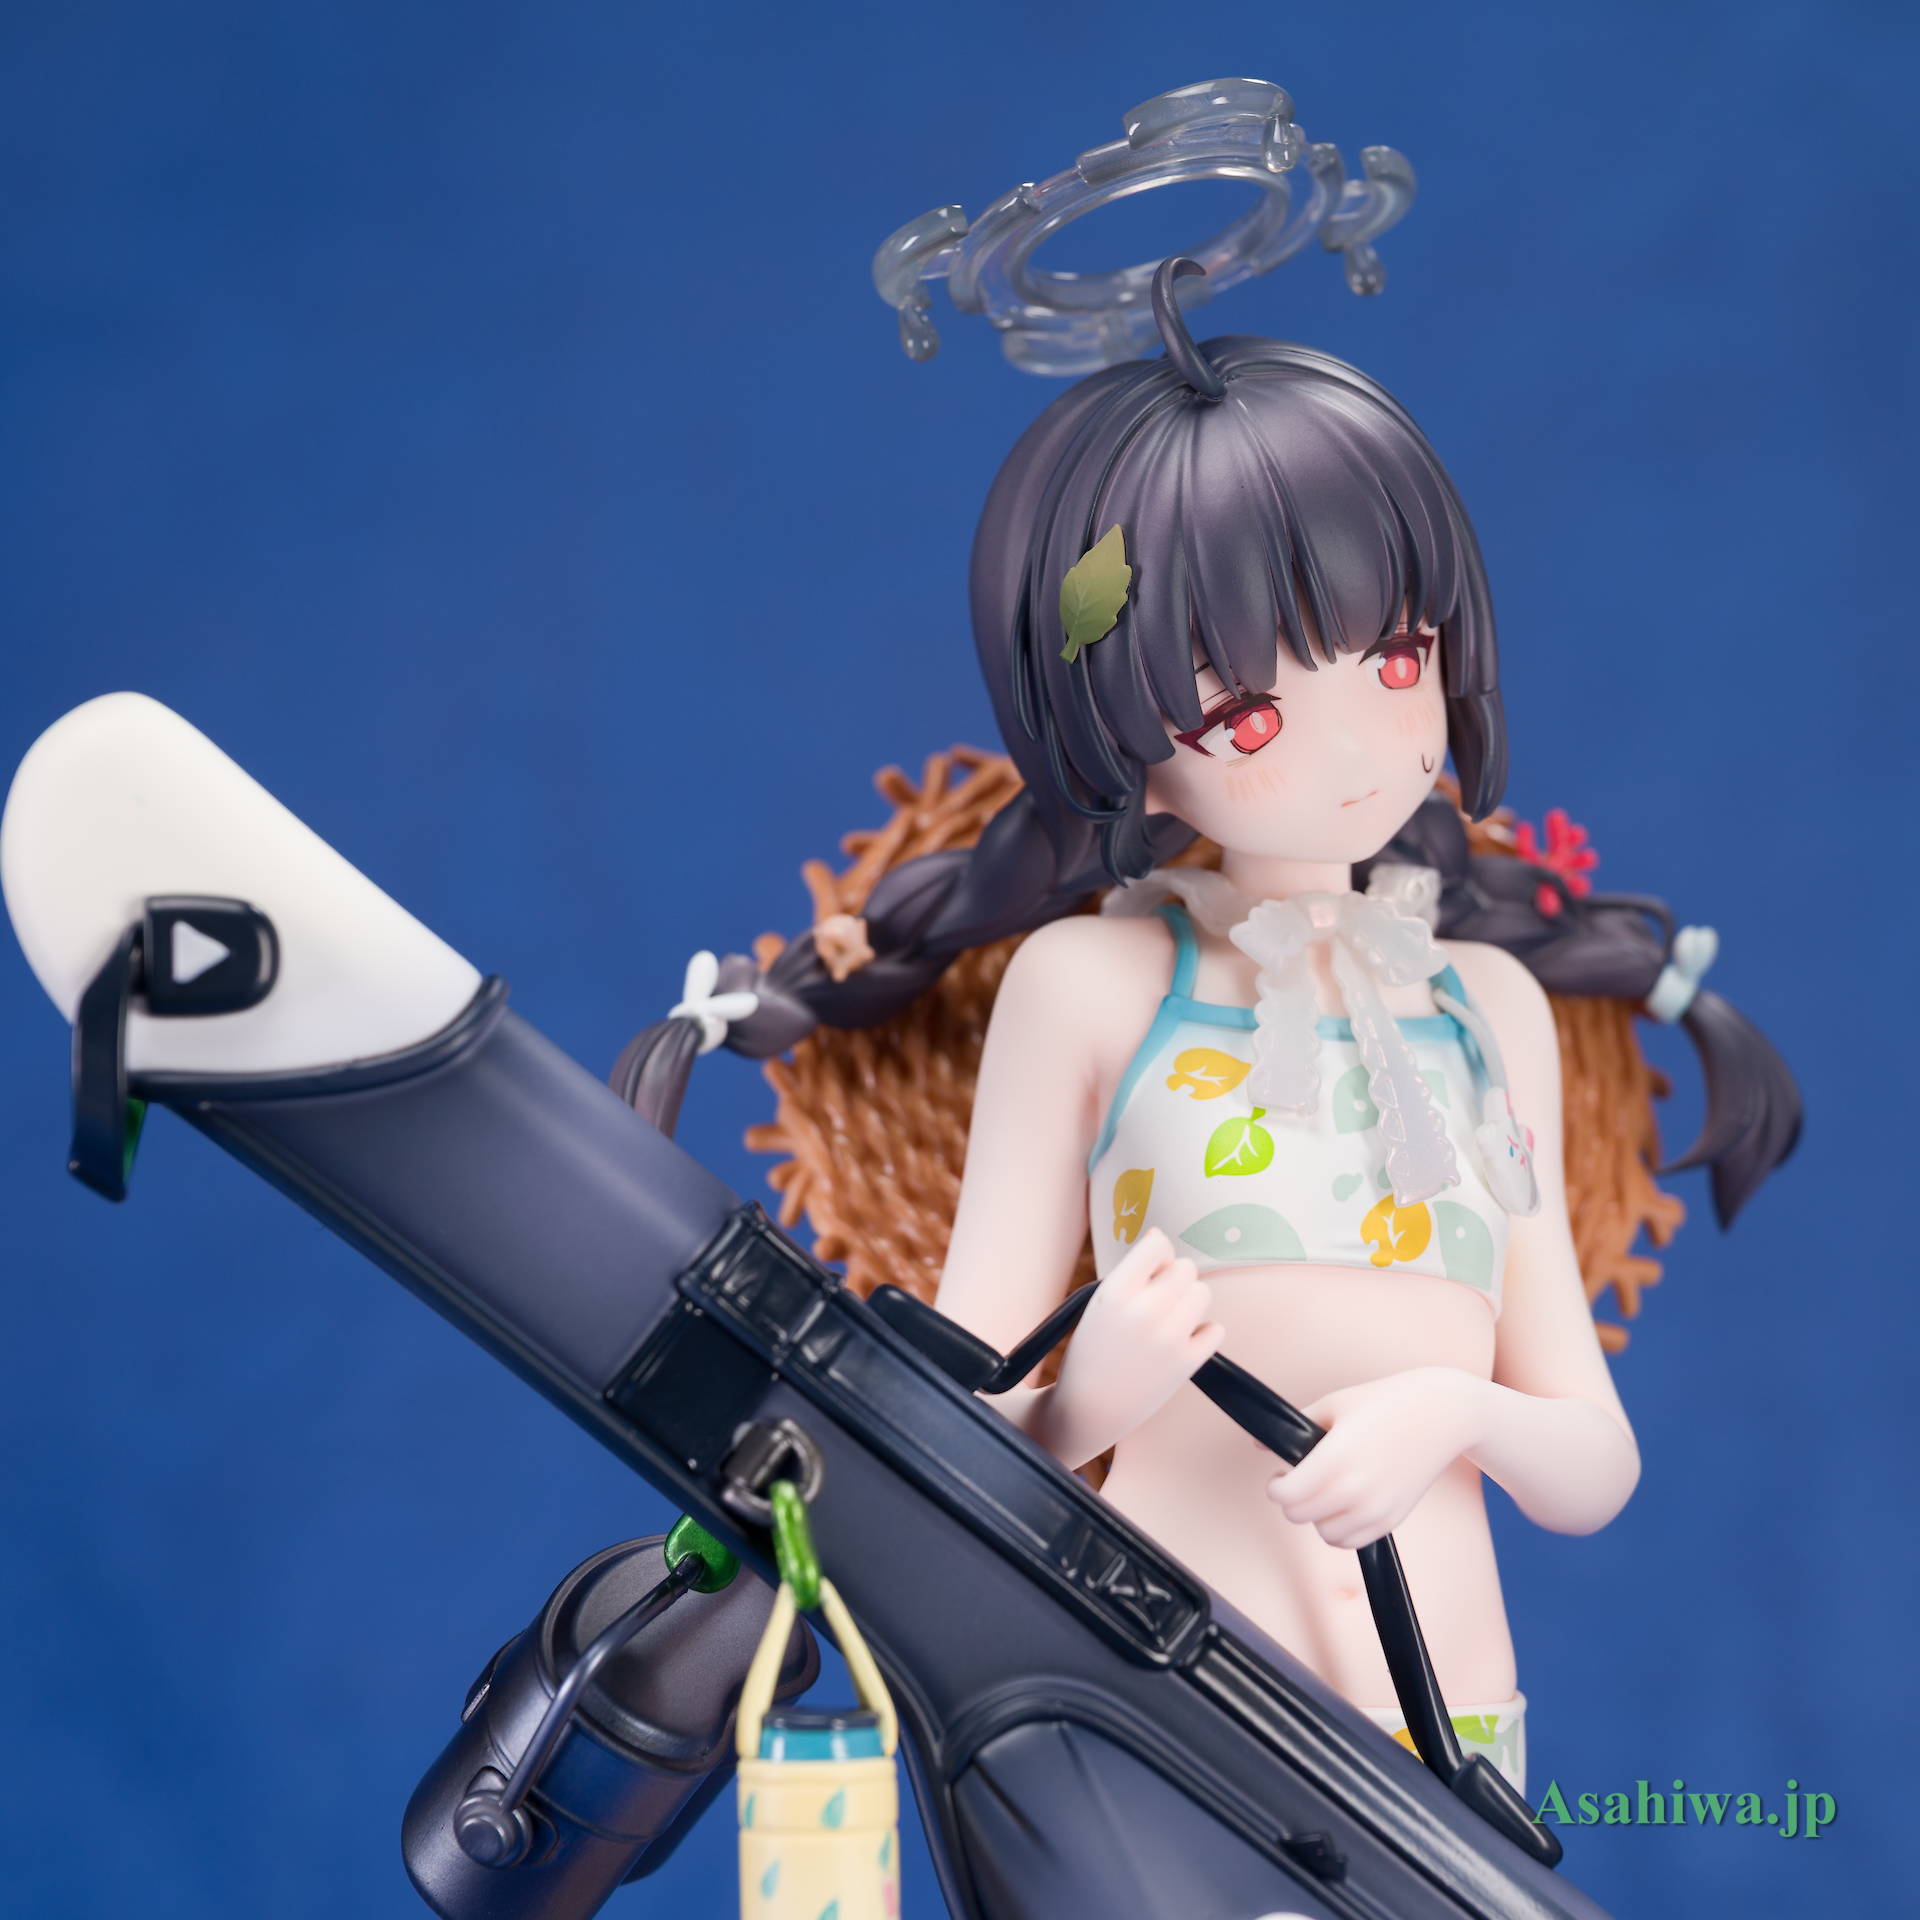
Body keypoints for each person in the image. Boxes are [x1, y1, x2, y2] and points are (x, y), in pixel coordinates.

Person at [615, 259, 1799, 1798]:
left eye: (1396, 657)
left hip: (1459, 1739)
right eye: (1247, 714)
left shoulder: (1485, 1010)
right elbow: (950, 1427)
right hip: (1175, 1721)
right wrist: (1086, 1401)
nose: (1358, 744)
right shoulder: (1090, 986)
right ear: (1124, 746)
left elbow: (1592, 1465)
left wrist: (1453, 1414)